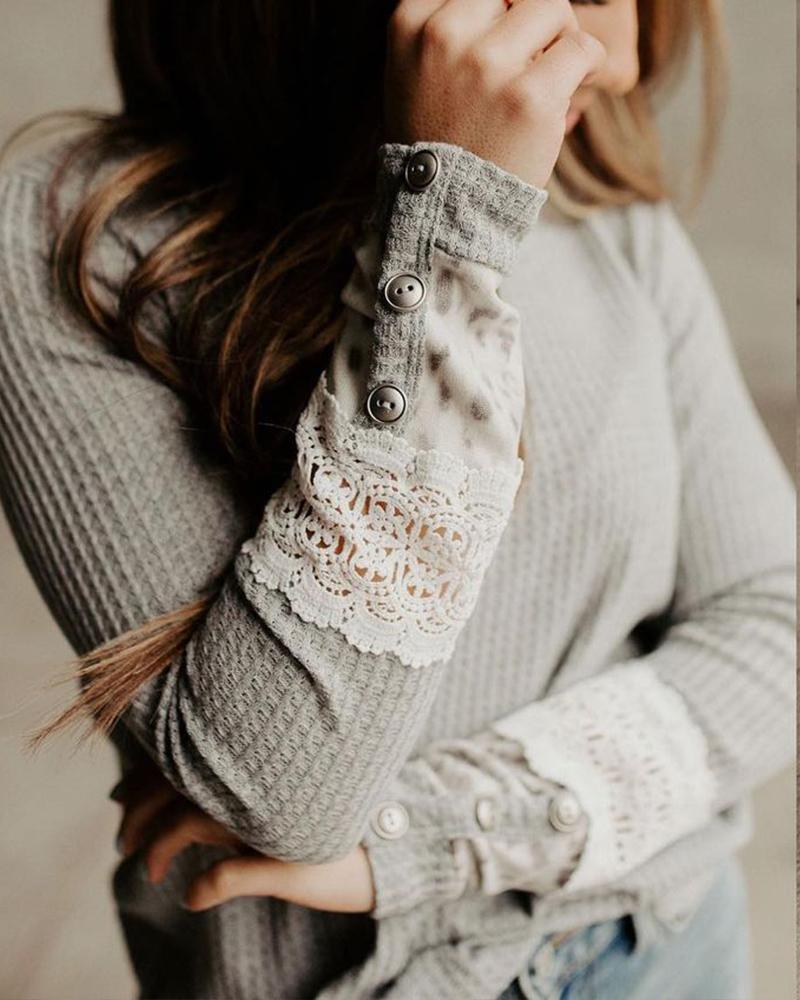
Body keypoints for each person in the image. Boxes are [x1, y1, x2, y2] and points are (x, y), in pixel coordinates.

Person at [0, 1, 793, 997]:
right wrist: (449, 219)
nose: (624, 71)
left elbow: (775, 620)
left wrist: (423, 834)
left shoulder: (599, 204)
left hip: (667, 940)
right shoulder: (72, 240)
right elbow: (283, 791)